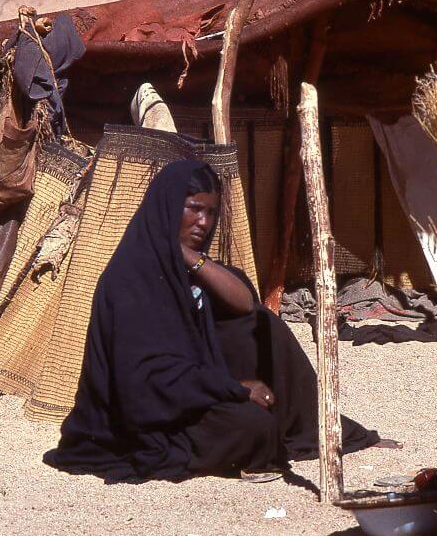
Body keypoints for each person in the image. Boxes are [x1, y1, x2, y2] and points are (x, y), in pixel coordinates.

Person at [44, 159, 385, 483]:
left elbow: (244, 306)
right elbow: (146, 381)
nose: (203, 222)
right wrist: (234, 389)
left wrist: (189, 257)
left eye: (210, 212)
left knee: (265, 326)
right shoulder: (132, 279)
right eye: (193, 208)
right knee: (254, 429)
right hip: (146, 416)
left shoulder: (190, 268)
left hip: (191, 390)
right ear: (166, 208)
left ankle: (318, 426)